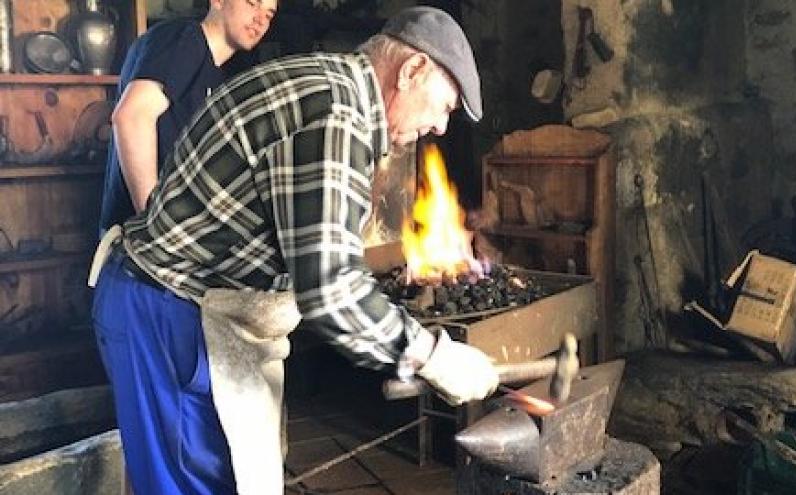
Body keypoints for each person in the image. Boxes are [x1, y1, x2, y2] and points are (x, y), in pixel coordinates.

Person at [88, 6, 499, 495]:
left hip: (183, 310)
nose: (440, 128)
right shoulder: (337, 113)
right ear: (412, 71)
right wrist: (433, 357)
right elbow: (331, 289)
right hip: (164, 312)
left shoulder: (328, 86)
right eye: (445, 107)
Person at [98, 0, 277, 235]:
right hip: (139, 243)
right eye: (253, 3)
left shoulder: (215, 77)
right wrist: (154, 225)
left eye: (270, 14)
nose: (261, 19)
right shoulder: (185, 39)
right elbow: (131, 117)